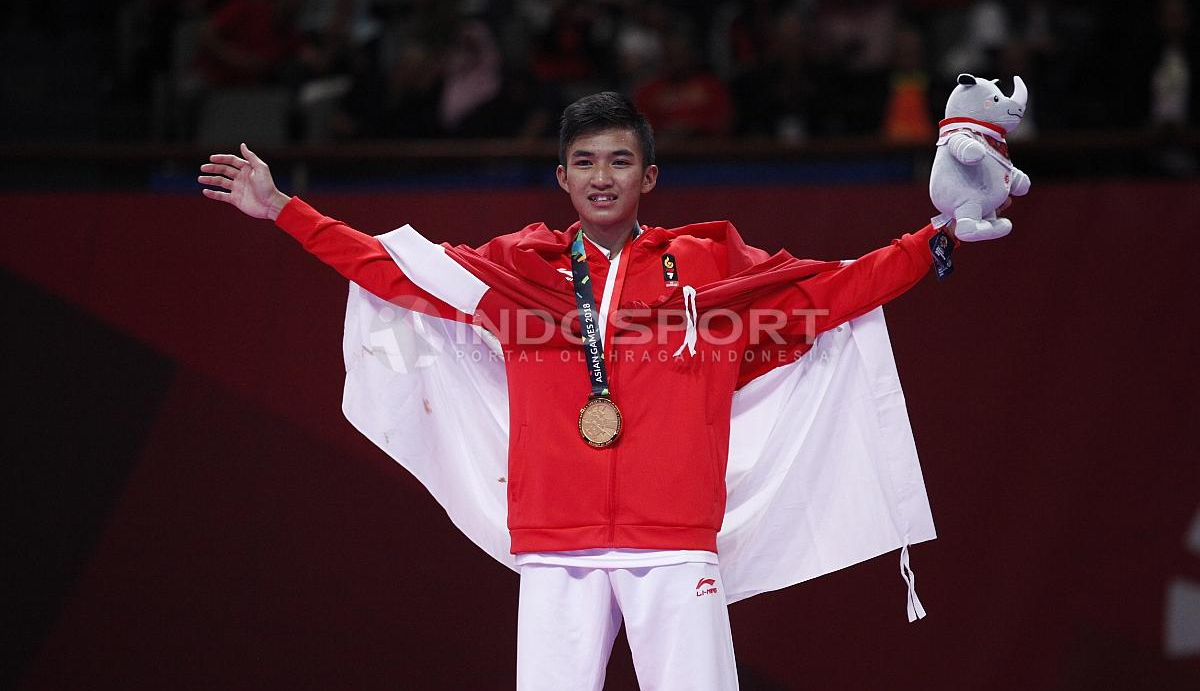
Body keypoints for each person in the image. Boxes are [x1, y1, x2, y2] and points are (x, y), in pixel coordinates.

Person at [199, 92, 967, 690]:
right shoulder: (518, 270)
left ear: (649, 177)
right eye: (586, 162)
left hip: (674, 543)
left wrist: (935, 239)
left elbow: (823, 293)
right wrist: (283, 210)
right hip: (556, 545)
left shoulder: (705, 269)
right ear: (562, 177)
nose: (603, 177)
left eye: (621, 161)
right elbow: (394, 270)